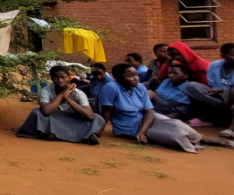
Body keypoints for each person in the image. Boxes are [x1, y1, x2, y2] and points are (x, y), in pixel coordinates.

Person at [99, 64, 233, 153]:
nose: (136, 79)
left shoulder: (140, 88)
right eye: (130, 76)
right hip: (127, 126)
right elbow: (106, 112)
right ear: (118, 78)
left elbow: (149, 111)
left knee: (174, 124)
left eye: (136, 75)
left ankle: (205, 139)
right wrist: (99, 132)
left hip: (146, 120)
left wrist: (142, 131)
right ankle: (199, 141)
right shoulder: (111, 88)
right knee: (171, 136)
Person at [14, 66, 105, 145]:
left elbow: (89, 115)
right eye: (56, 78)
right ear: (52, 79)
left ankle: (52, 134)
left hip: (72, 120)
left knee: (98, 118)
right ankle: (84, 137)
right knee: (36, 112)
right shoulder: (46, 90)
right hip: (54, 118)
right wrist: (61, 95)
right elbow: (46, 111)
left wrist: (68, 99)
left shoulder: (78, 93)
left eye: (63, 77)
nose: (60, 80)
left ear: (69, 78)